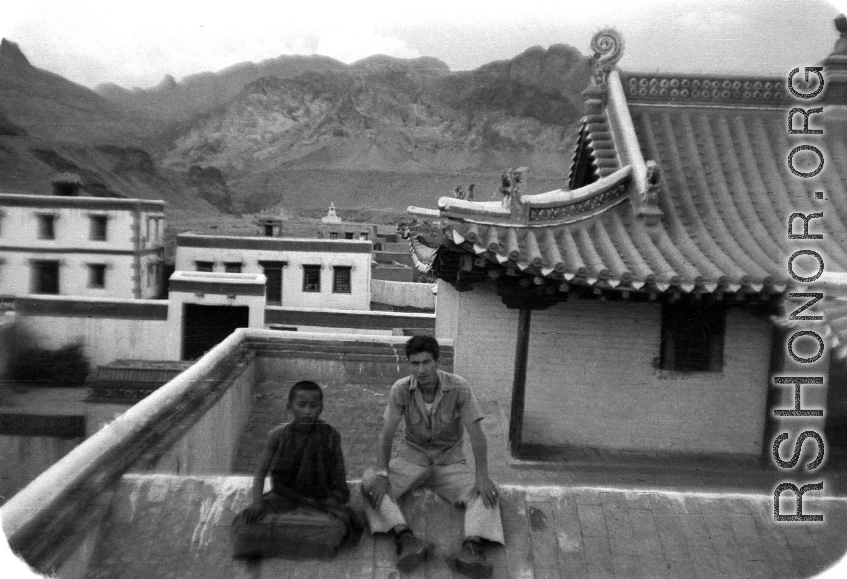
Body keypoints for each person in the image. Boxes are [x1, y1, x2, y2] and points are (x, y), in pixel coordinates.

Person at [361, 335, 504, 577]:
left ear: (437, 362)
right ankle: (406, 539)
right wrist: (383, 473)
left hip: (450, 463)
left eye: (426, 362)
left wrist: (482, 476)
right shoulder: (401, 389)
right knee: (369, 482)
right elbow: (386, 434)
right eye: (414, 363)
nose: (421, 370)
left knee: (488, 491)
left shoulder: (459, 387)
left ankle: (471, 549)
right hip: (411, 461)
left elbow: (477, 435)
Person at [232, 380, 360, 557]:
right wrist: (257, 503)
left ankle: (294, 540)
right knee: (245, 526)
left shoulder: (330, 435)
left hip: (319, 500)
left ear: (321, 408)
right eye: (301, 405)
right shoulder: (277, 436)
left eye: (313, 406)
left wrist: (332, 500)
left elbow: (338, 476)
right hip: (284, 498)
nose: (307, 411)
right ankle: (305, 541)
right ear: (289, 406)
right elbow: (260, 472)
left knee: (338, 526)